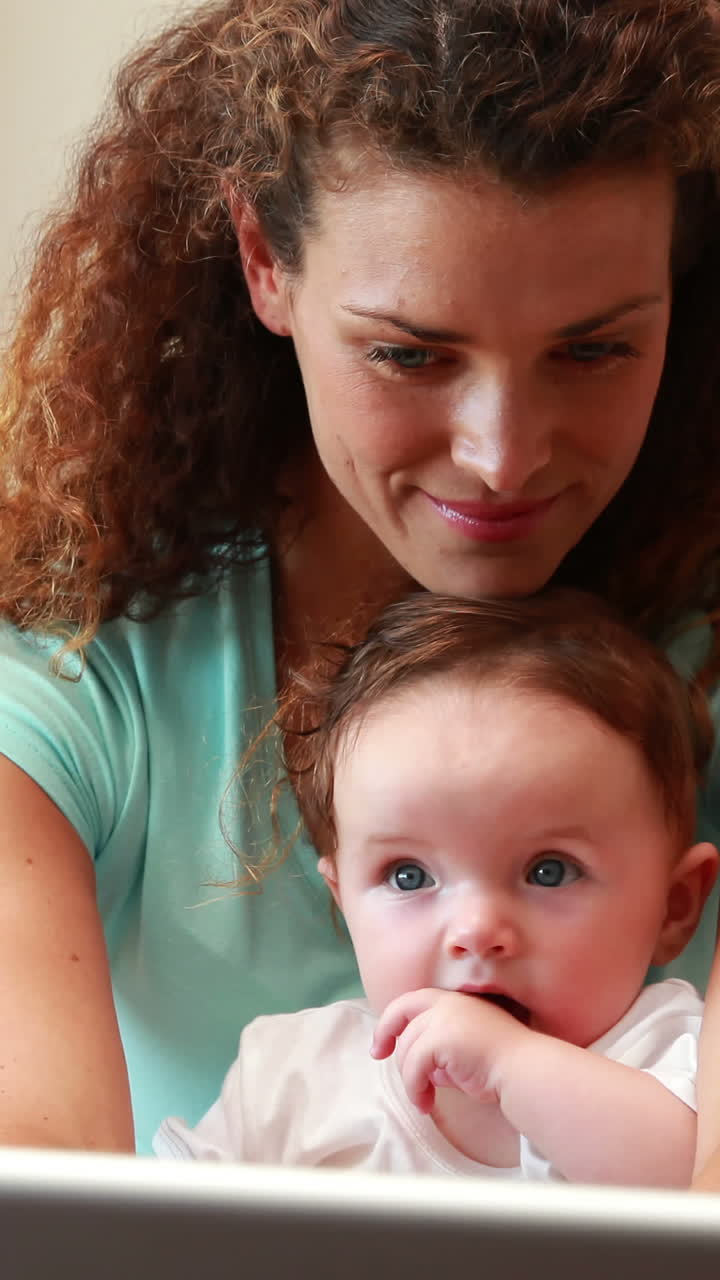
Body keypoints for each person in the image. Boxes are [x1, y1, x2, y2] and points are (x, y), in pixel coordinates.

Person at [2, 0, 720, 1169]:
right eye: (411, 352)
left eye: (593, 348)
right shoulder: (70, 679)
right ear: (263, 263)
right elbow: (34, 1186)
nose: (503, 454)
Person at [154, 591, 718, 1186]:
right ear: (343, 903)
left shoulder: (676, 1059)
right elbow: (160, 1235)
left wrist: (513, 1066)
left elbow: (693, 1187)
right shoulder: (294, 1076)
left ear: (674, 906)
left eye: (548, 870)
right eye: (409, 876)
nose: (475, 929)